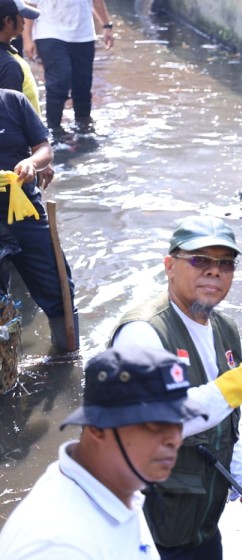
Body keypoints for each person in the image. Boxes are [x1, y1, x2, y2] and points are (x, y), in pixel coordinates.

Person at [109, 216, 242, 560]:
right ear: (169, 265)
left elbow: (221, 430)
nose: (214, 271)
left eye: (225, 263)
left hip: (199, 528)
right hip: (145, 536)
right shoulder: (142, 333)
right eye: (199, 260)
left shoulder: (224, 330)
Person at [0, 346, 205, 560]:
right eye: (155, 424)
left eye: (178, 421)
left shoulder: (119, 489)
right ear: (97, 428)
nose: (174, 439)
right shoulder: (58, 552)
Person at [0, 86, 74, 349]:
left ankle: (67, 357)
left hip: (25, 211)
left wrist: (31, 163)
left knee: (59, 289)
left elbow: (44, 149)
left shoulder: (13, 101)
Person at [21, 0, 114, 134]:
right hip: (48, 32)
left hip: (83, 34)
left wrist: (106, 26)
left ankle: (84, 128)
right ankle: (53, 129)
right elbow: (31, 5)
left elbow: (97, 1)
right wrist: (27, 38)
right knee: (59, 82)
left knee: (83, 85)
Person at [0, 0, 53, 188]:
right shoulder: (9, 65)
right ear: (8, 21)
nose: (24, 22)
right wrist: (36, 157)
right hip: (16, 168)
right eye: (20, 17)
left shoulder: (10, 56)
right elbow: (9, 119)